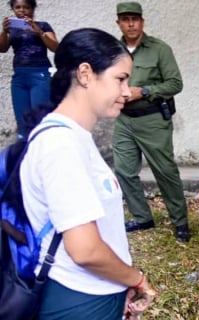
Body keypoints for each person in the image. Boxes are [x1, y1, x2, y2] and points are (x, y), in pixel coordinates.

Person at [20, 28, 155, 320]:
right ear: (85, 74)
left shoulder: (74, 136)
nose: (126, 91)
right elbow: (85, 250)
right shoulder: (61, 144)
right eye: (120, 79)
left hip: (94, 293)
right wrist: (135, 278)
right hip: (80, 299)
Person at [112, 1, 190, 242]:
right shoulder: (112, 50)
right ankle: (142, 217)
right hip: (124, 120)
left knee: (165, 172)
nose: (131, 23)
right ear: (119, 23)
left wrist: (143, 91)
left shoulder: (159, 49)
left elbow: (175, 84)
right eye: (125, 19)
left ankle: (180, 222)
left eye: (135, 18)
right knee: (124, 171)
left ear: (142, 21)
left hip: (152, 119)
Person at [0, 0, 58, 141]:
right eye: (17, 7)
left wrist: (39, 32)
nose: (22, 10)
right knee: (22, 120)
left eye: (26, 7)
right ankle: (25, 156)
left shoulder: (43, 25)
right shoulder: (12, 28)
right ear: (13, 9)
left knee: (40, 118)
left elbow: (55, 47)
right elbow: (2, 48)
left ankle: (44, 153)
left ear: (32, 9)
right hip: (19, 77)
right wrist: (4, 31)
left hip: (40, 75)